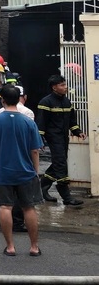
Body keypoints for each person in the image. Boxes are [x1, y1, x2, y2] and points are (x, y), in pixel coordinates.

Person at [0, 84, 44, 257]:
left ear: (2, 99)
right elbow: (35, 150)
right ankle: (34, 247)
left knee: (5, 207)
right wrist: (36, 171)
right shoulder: (28, 122)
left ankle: (10, 247)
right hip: (26, 172)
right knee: (28, 208)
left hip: (3, 171)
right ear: (19, 99)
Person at [36, 74, 85, 206]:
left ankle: (43, 186)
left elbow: (72, 121)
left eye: (65, 84)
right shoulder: (45, 102)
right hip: (53, 137)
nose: (65, 87)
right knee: (61, 164)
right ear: (54, 87)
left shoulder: (66, 102)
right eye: (62, 85)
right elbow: (41, 123)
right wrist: (39, 139)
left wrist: (78, 131)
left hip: (64, 137)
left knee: (59, 163)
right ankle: (66, 197)